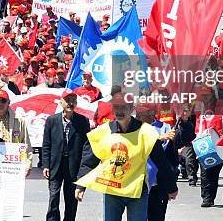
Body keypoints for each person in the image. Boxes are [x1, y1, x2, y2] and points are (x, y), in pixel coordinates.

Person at [75, 91, 178, 221]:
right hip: (112, 191)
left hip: (137, 192)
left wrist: (171, 187)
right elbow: (89, 159)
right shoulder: (103, 131)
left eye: (124, 107)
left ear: (131, 109)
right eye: (117, 107)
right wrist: (81, 185)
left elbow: (161, 161)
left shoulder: (146, 132)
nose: (120, 111)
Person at [42, 89, 90, 221]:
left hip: (73, 166)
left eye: (73, 100)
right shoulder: (52, 120)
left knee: (71, 199)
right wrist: (46, 165)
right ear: (61, 102)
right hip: (55, 165)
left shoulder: (83, 121)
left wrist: (83, 168)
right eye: (67, 100)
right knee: (53, 197)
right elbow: (46, 144)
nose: (70, 103)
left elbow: (86, 147)